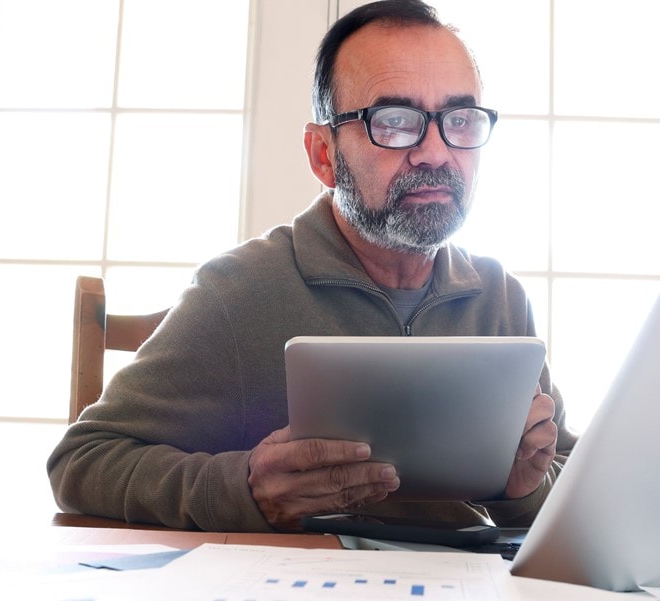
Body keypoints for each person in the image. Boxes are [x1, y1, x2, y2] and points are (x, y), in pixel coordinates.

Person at [47, 0, 577, 533]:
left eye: (460, 120)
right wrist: (245, 487)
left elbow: (571, 480)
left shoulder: (498, 297)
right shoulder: (239, 293)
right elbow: (81, 462)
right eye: (394, 122)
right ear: (323, 155)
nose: (437, 152)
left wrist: (525, 491)